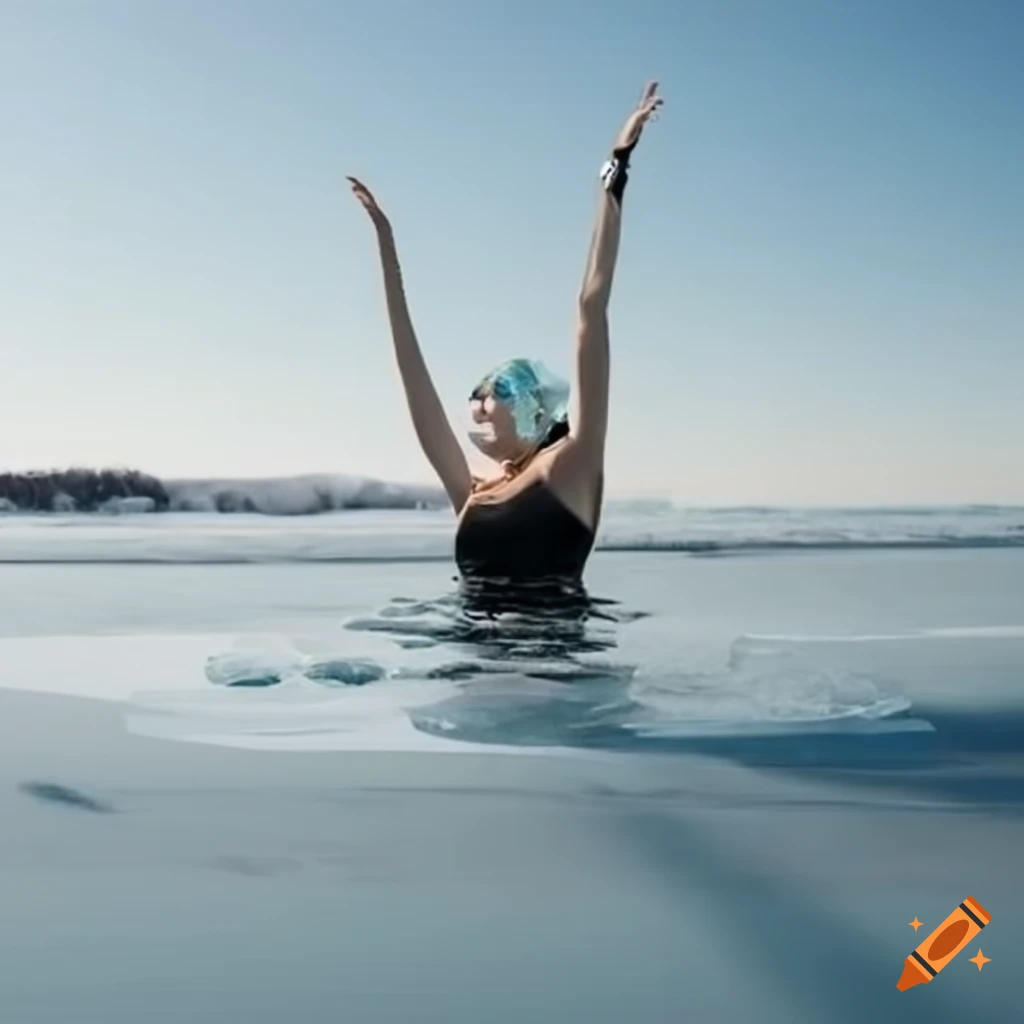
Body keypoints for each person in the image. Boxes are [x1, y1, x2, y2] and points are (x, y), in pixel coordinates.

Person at [348, 81, 663, 585]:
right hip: (470, 662)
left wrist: (615, 166)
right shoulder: (471, 493)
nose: (476, 414)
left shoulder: (572, 465)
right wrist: (386, 246)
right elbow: (415, 381)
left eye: (491, 401)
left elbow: (590, 308)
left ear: (531, 409)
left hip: (554, 663)